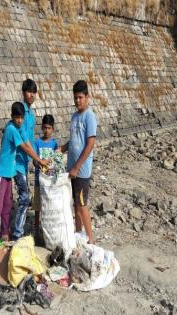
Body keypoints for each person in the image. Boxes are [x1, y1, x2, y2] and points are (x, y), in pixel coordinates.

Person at [0, 102, 48, 241]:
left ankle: (5, 234)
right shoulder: (11, 129)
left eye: (21, 117)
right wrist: (39, 160)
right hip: (2, 173)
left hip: (10, 173)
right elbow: (25, 148)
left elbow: (28, 143)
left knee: (7, 205)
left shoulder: (18, 127)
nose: (19, 120)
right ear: (12, 117)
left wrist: (38, 159)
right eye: (16, 117)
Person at [59, 80, 97, 244]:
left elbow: (90, 144)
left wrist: (76, 167)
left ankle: (91, 240)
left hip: (81, 170)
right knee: (75, 204)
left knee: (82, 204)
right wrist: (62, 148)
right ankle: (78, 234)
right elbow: (74, 139)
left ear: (87, 97)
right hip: (72, 169)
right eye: (75, 98)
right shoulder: (74, 116)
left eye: (80, 97)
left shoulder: (90, 116)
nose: (78, 101)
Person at [12, 79, 37, 240]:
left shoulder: (31, 115)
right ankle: (17, 233)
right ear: (23, 92)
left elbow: (31, 139)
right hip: (16, 162)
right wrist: (37, 158)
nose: (32, 95)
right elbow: (23, 142)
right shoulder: (19, 112)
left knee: (24, 196)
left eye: (34, 92)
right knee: (24, 198)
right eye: (29, 92)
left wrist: (35, 157)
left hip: (25, 161)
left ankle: (18, 228)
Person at [32, 114, 58, 243]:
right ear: (42, 127)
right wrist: (40, 163)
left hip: (50, 182)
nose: (47, 130)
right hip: (39, 181)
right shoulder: (37, 143)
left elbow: (57, 161)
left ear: (52, 128)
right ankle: (36, 229)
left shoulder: (54, 144)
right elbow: (34, 160)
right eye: (45, 128)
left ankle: (48, 227)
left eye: (49, 128)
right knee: (38, 206)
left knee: (49, 206)